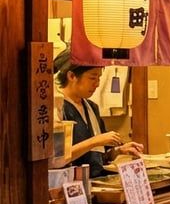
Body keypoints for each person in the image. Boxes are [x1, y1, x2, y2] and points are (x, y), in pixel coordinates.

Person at [53, 50, 144, 178]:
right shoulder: (57, 107)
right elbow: (57, 159)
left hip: (95, 182)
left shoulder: (91, 107)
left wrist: (119, 151)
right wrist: (94, 141)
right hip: (70, 185)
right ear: (72, 76)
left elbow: (100, 155)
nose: (97, 84)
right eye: (92, 77)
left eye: (99, 78)